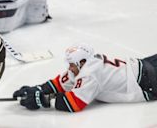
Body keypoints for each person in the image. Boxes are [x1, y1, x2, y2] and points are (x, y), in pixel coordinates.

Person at [12, 43, 157, 112]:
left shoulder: (90, 74)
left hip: (146, 83)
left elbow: (74, 103)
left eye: (72, 64)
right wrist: (39, 89)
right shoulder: (86, 63)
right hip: (143, 65)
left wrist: (41, 99)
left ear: (81, 62)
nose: (69, 68)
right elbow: (60, 83)